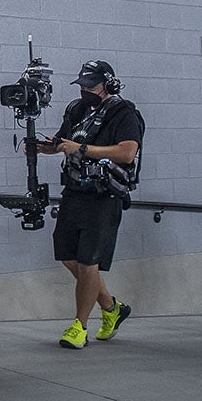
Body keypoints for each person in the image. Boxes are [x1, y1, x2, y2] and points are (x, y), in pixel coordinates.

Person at [37, 60, 140, 350]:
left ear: (108, 84)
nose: (84, 90)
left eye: (90, 85)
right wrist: (46, 147)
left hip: (104, 194)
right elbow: (63, 141)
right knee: (69, 258)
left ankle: (79, 326)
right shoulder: (77, 110)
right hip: (74, 191)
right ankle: (111, 308)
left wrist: (82, 149)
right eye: (81, 85)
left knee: (87, 263)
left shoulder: (123, 112)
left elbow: (128, 152)